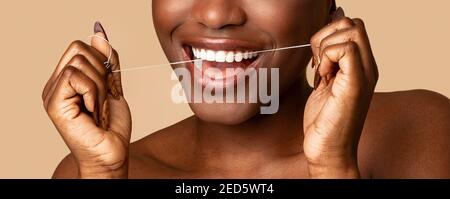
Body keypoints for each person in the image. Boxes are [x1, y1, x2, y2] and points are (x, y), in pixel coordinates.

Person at [42, 0, 450, 179]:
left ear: (329, 8)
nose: (216, 14)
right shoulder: (85, 171)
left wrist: (332, 167)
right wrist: (104, 174)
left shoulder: (421, 134)